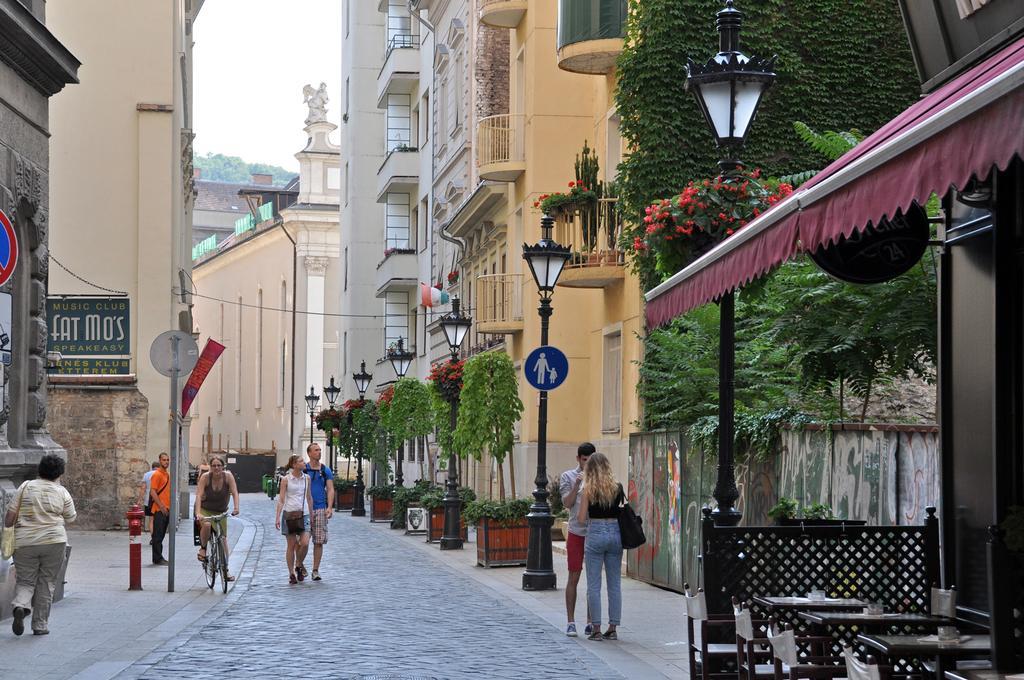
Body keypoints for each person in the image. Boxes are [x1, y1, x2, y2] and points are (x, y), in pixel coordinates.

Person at [3, 454, 77, 636]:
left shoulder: (25, 487)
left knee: (26, 580)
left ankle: (20, 605)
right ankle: (40, 625)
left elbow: (10, 517)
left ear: (40, 470)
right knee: (47, 582)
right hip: (54, 541)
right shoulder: (62, 492)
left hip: (25, 541)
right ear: (59, 473)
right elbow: (71, 517)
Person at [576, 452, 624, 641]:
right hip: (615, 533)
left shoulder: (588, 489)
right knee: (615, 584)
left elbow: (580, 520)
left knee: (593, 585)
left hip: (595, 533)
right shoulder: (617, 488)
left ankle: (596, 628)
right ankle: (612, 627)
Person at [559, 442, 595, 637]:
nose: (587, 464)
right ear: (578, 459)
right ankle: (571, 622)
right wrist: (577, 485)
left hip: (594, 533)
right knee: (574, 576)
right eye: (584, 460)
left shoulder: (599, 478)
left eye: (591, 460)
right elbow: (567, 503)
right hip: (576, 532)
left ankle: (590, 621)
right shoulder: (568, 476)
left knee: (593, 580)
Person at [194, 455, 240, 580]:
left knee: (223, 539)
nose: (216, 468)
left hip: (220, 511)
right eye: (213, 465)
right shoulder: (205, 477)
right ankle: (203, 549)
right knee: (207, 525)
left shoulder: (228, 477)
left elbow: (235, 492)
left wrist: (236, 507)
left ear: (223, 466)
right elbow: (198, 495)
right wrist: (198, 513)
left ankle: (225, 570)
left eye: (219, 465)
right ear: (210, 467)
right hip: (205, 509)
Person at [274, 454, 313, 584]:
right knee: (291, 545)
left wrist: (311, 515)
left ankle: (299, 564)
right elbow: (281, 499)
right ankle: (291, 573)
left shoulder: (307, 478)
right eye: (301, 461)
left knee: (305, 543)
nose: (304, 463)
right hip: (289, 514)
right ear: (294, 465)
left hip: (304, 513)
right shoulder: (286, 479)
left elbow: (309, 497)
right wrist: (278, 517)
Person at [303, 442, 334, 582]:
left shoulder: (325, 470)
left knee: (319, 541)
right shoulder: (304, 469)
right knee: (302, 542)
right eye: (316, 450)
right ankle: (299, 564)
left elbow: (330, 489)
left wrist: (329, 507)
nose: (319, 452)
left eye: (320, 450)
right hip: (304, 510)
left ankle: (315, 570)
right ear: (309, 453)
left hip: (320, 508)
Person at [149, 452, 171, 565]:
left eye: (167, 460)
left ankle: (158, 557)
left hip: (167, 509)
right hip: (159, 510)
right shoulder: (157, 474)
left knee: (161, 535)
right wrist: (161, 506)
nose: (166, 462)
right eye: (164, 460)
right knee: (157, 536)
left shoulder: (167, 475)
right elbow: (153, 492)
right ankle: (157, 558)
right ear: (159, 460)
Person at [138, 461, 159, 533]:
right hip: (159, 501)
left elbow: (143, 488)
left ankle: (153, 538)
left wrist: (139, 500)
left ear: (152, 467)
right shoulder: (161, 475)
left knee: (151, 520)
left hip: (149, 501)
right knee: (159, 521)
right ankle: (157, 538)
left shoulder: (146, 475)